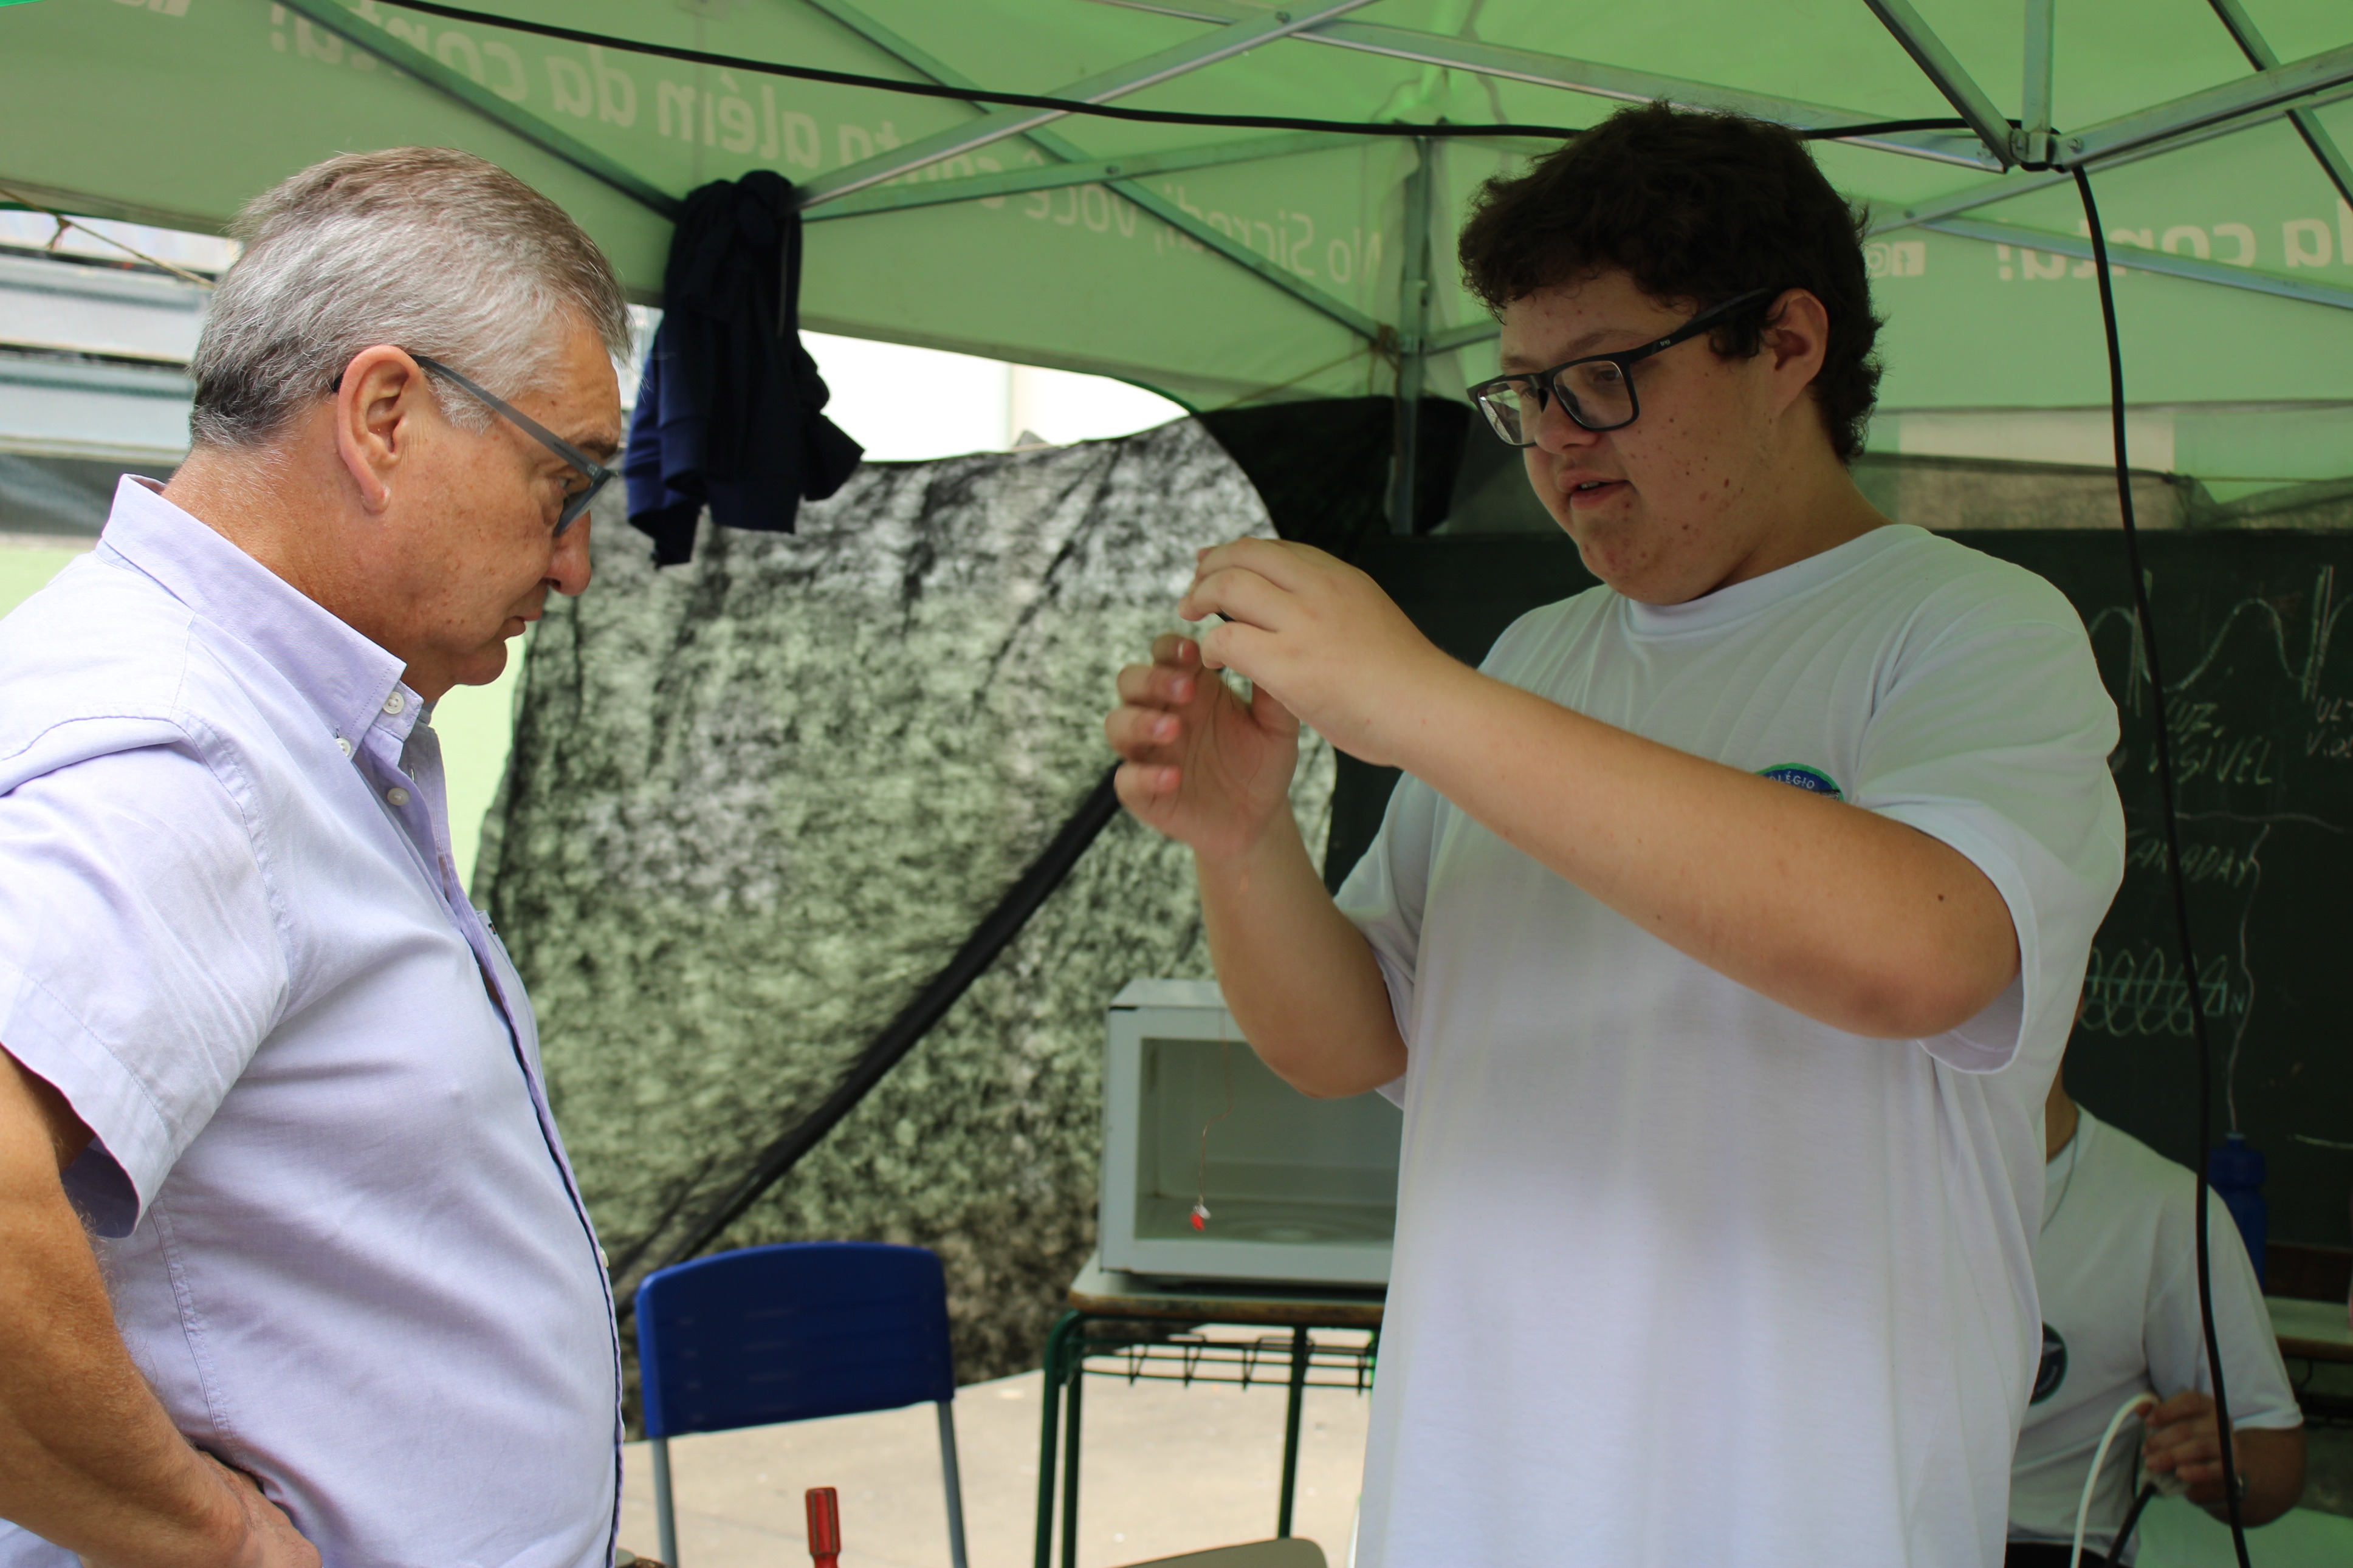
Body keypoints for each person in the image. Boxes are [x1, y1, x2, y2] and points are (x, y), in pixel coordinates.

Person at [1105, 104, 2126, 1566]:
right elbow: (1349, 1043)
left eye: (1601, 377)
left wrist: (1417, 699)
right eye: (1525, 392)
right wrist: (1240, 838)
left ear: (1784, 344)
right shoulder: (1533, 661)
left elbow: (1923, 954)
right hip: (1472, 1509)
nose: (1554, 440)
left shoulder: (1967, 628)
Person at [0, 149, 633, 1568]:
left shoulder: (238, 714)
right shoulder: (183, 753)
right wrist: (213, 1535)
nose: (574, 562)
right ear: (385, 416)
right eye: (561, 481)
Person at [2006, 1069, 2304, 1565]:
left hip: (2055, 1546)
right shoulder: (1873, 1192)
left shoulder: (2165, 1207)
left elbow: (2275, 1455)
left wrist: (2225, 1465)